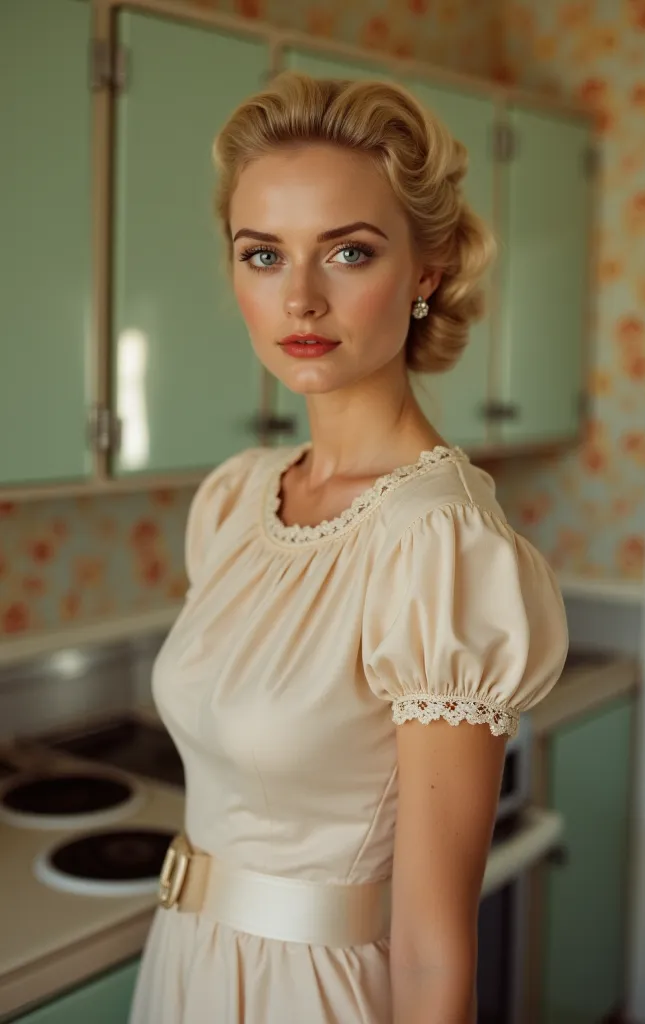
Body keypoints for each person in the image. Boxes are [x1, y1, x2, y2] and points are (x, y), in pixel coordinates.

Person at [130, 72, 568, 1024]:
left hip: (317, 995)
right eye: (261, 255)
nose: (299, 299)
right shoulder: (237, 500)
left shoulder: (440, 550)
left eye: (349, 252)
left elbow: (430, 957)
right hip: (185, 969)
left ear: (428, 267)